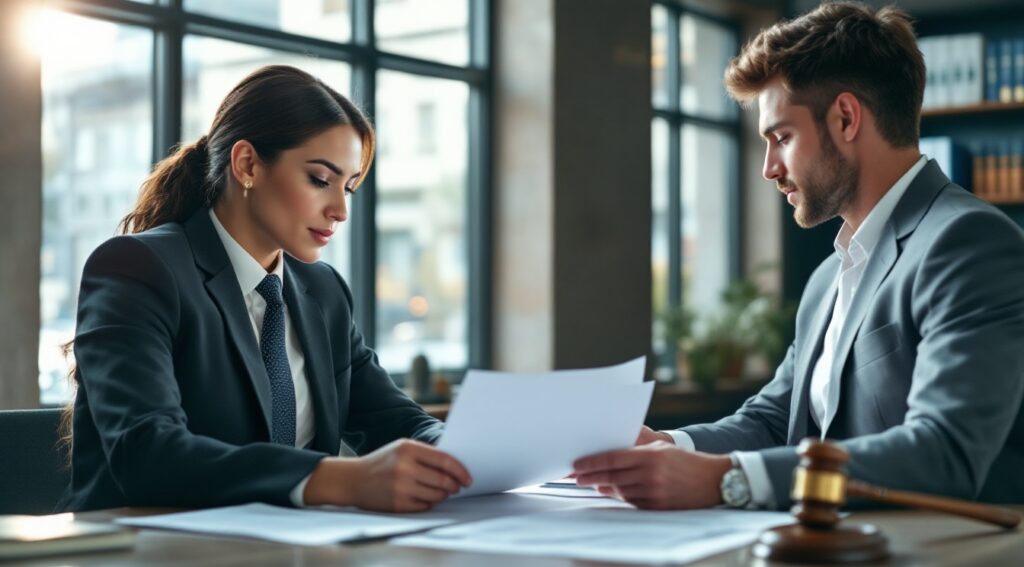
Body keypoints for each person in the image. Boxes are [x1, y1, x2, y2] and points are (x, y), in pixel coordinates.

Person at [573, 2, 1024, 511]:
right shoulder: (829, 276)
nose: (769, 168)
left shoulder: (969, 242)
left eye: (781, 137)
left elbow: (946, 451)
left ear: (846, 118)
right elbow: (776, 419)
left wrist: (729, 479)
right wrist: (672, 446)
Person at [58, 65, 471, 513]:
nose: (339, 210)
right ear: (247, 164)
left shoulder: (323, 290)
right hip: (143, 548)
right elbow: (148, 453)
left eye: (348, 187)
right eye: (320, 180)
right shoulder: (137, 268)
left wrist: (464, 456)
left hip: (285, 548)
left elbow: (392, 416)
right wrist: (335, 479)